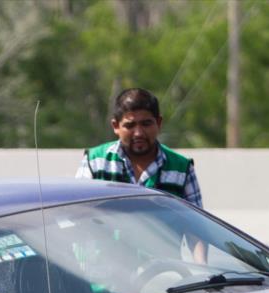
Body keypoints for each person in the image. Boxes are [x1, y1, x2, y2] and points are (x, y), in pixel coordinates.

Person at [78, 88, 206, 263]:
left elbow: (196, 229)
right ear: (115, 126)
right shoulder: (95, 162)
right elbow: (78, 219)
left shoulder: (181, 168)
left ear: (159, 123)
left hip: (165, 278)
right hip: (104, 278)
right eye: (130, 125)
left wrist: (203, 269)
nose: (138, 133)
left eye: (146, 124)